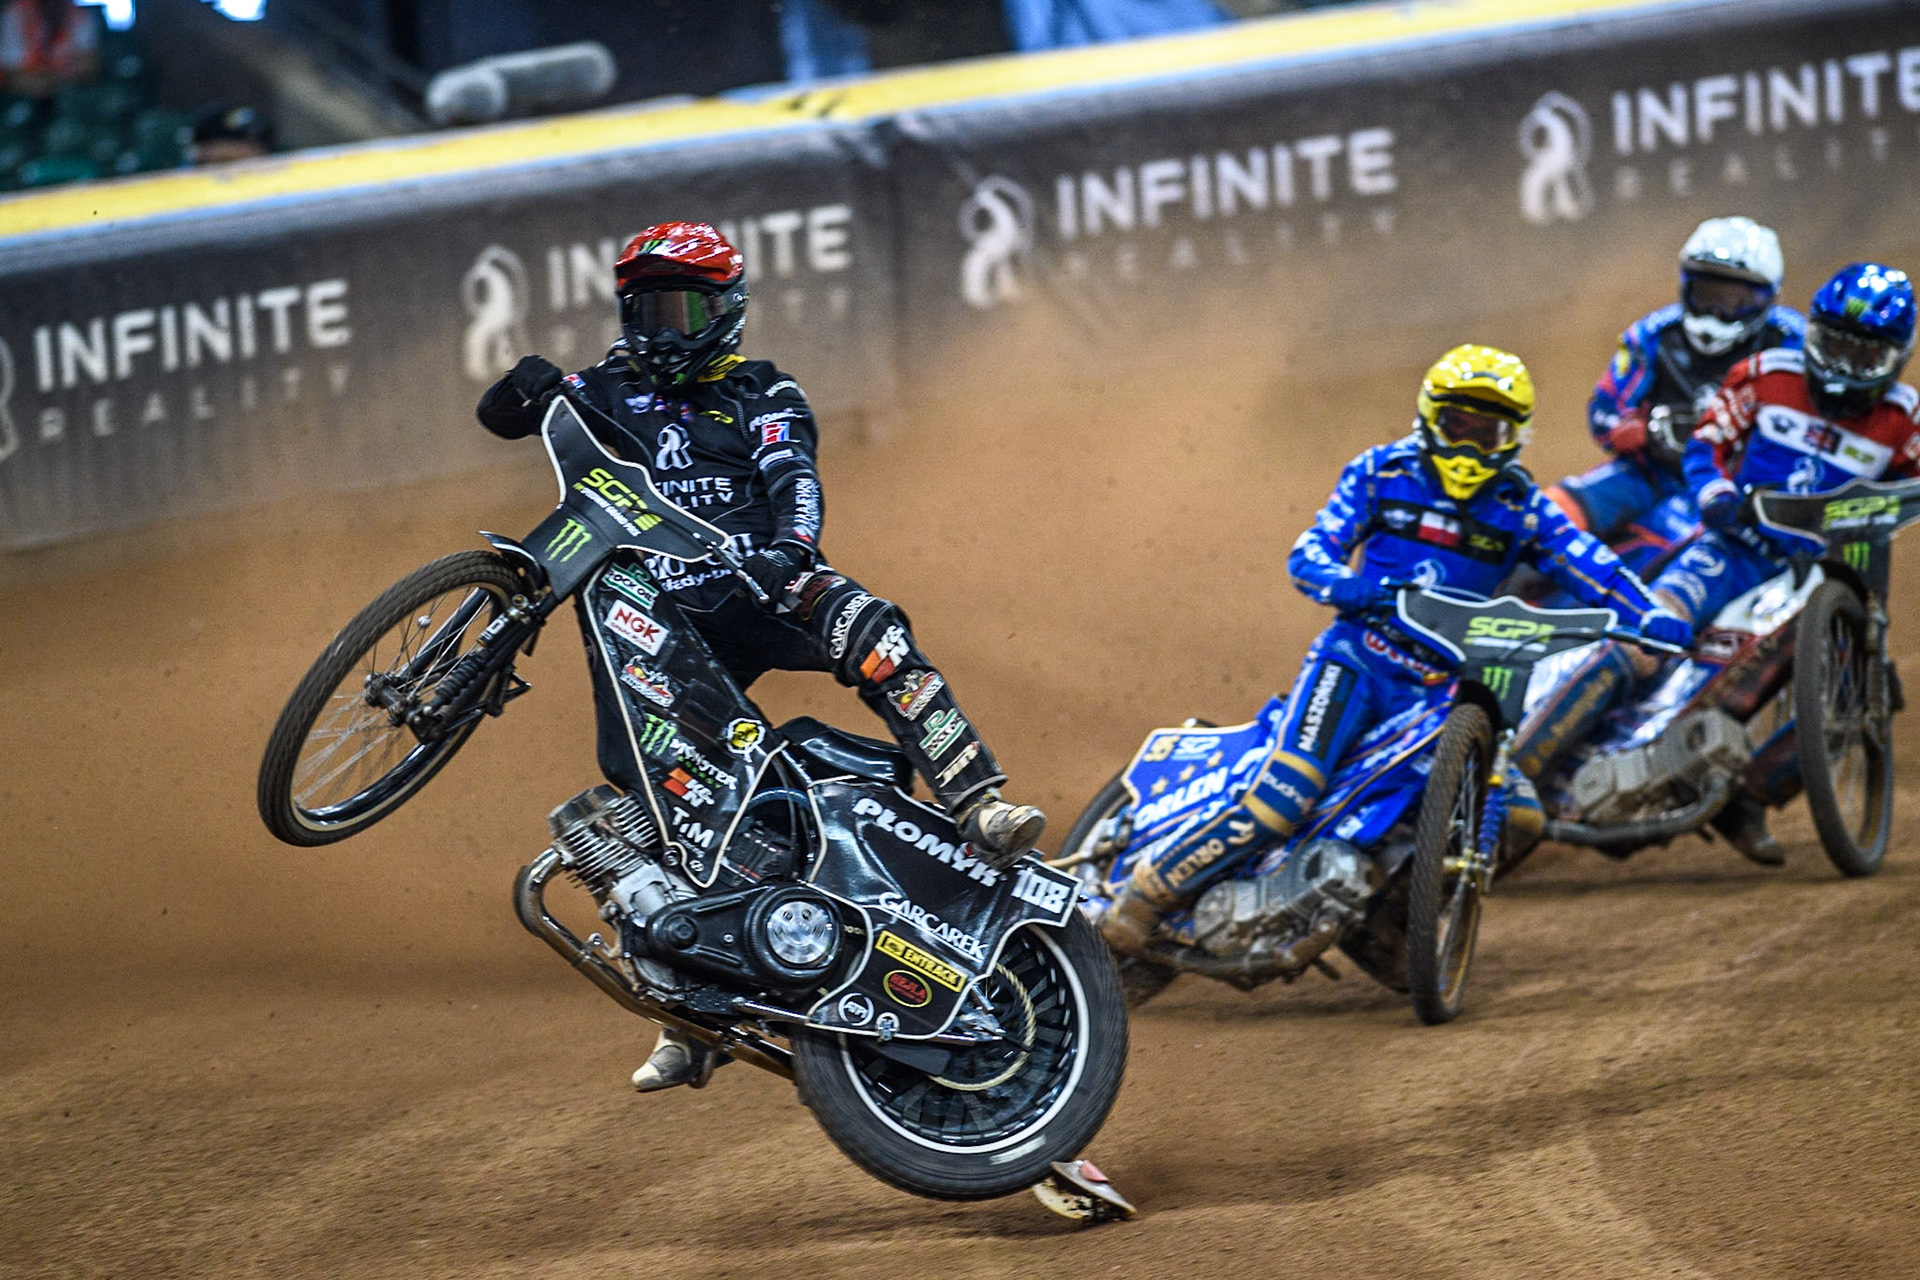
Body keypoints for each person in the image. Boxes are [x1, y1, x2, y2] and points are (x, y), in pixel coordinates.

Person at [476, 220, 1046, 1090]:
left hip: (756, 581)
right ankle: (689, 1010)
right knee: (647, 797)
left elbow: (795, 481)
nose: (660, 329)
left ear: (725, 311)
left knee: (873, 625)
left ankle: (977, 802)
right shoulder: (607, 387)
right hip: (659, 613)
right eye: (645, 309)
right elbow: (503, 418)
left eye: (680, 309)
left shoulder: (763, 391)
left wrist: (793, 550)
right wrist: (526, 385)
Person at [1098, 344, 1689, 955]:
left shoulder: (1521, 508)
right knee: (1288, 792)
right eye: (1458, 426)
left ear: (1514, 437)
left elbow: (1593, 567)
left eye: (1485, 432)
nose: (1468, 448)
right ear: (1430, 418)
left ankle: (1391, 925)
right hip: (1358, 659)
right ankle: (1147, 895)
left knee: (1518, 818)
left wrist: (1649, 614)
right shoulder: (1380, 473)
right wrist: (1348, 586)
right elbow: (1310, 552)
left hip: (1443, 689)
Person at [1517, 263, 1920, 866]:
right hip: (1737, 546)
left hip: (1842, 563)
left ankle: (1747, 797)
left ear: (1896, 357)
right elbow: (1707, 442)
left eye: (1864, 357)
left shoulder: (1905, 418)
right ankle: (1521, 768)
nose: (1843, 366)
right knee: (1646, 629)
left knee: (1853, 692)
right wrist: (1712, 492)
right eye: (1833, 345)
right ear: (1811, 333)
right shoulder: (1763, 375)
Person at [1544, 217, 1804, 571]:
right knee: (1548, 513)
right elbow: (1603, 410)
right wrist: (1625, 430)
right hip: (1648, 472)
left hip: (1730, 494)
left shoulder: (1792, 345)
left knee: (1642, 554)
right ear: (1686, 287)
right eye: (1708, 295)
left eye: (1735, 301)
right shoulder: (1652, 335)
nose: (1717, 312)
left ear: (1768, 298)